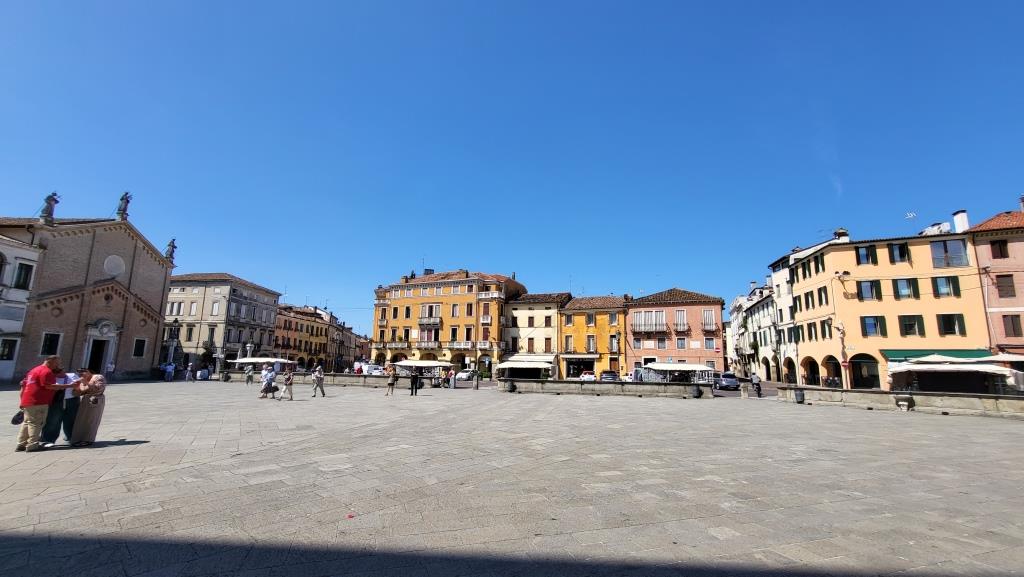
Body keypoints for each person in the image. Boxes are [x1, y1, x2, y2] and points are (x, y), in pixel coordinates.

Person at [17, 356, 73, 452]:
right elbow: (49, 386)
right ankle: (32, 444)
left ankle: (21, 444)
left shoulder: (34, 370)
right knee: (36, 423)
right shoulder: (46, 371)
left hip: (28, 400)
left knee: (27, 422)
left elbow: (24, 385)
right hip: (39, 401)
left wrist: (22, 400)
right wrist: (69, 385)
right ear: (49, 361)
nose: (57, 366)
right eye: (56, 363)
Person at [41, 369, 80, 448]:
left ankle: (71, 438)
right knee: (53, 420)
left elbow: (80, 386)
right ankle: (48, 440)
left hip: (72, 400)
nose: (59, 374)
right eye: (56, 373)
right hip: (57, 401)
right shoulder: (52, 378)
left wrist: (78, 387)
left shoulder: (72, 375)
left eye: (60, 372)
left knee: (71, 420)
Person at [70, 368, 107, 447]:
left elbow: (99, 389)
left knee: (91, 420)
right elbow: (78, 393)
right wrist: (75, 387)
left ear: (88, 372)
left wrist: (86, 383)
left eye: (82, 373)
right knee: (81, 420)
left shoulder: (98, 377)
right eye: (80, 374)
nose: (81, 375)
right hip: (85, 401)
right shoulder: (82, 381)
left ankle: (88, 439)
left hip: (96, 400)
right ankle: (78, 439)